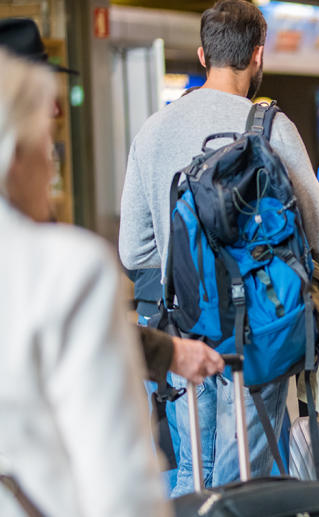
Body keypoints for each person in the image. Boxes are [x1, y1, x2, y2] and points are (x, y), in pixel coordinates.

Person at [118, 0, 319, 495]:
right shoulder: (269, 128)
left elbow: (133, 251)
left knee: (190, 473)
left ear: (203, 55)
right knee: (247, 478)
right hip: (258, 333)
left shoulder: (153, 132)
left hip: (182, 328)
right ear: (258, 56)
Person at [0, 16, 224, 389]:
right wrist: (170, 354)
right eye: (42, 100)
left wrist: (169, 352)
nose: (56, 111)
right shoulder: (66, 261)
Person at [0, 49, 171, 517]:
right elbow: (119, 483)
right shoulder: (64, 268)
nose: (53, 164)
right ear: (14, 154)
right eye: (47, 144)